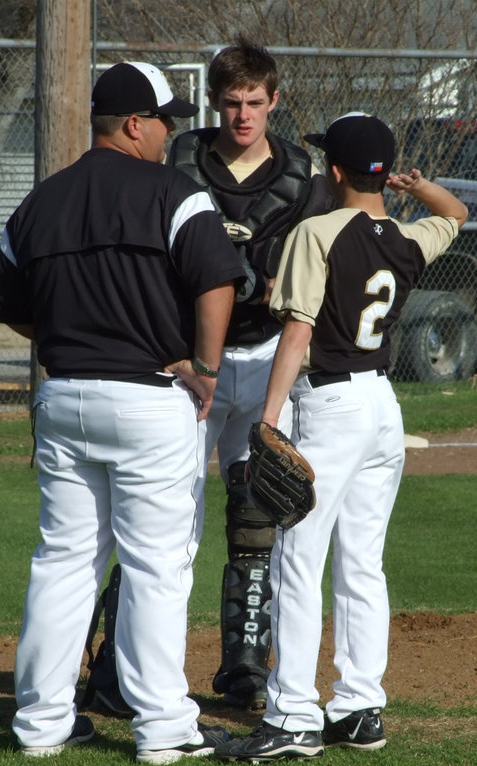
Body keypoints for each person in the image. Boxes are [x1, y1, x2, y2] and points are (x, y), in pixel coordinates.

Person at [0, 62, 245, 764]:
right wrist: (207, 368)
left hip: (64, 398)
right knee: (157, 566)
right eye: (164, 120)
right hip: (150, 398)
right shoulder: (173, 193)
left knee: (63, 561)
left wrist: (71, 340)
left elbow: (8, 308)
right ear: (134, 124)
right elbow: (217, 280)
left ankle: (41, 723)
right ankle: (162, 731)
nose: (169, 133)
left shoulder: (40, 202)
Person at [217, 113, 468, 763]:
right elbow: (458, 211)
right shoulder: (407, 241)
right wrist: (412, 187)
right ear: (383, 174)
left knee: (297, 557)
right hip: (383, 407)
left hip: (328, 403)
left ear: (332, 172)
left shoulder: (317, 232)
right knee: (361, 561)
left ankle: (294, 716)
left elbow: (297, 334)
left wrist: (266, 421)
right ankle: (359, 708)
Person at [165, 36, 331, 712]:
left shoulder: (303, 174)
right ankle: (131, 665)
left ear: (274, 101)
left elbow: (321, 260)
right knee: (166, 517)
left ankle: (244, 663)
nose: (242, 116)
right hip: (191, 360)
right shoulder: (180, 162)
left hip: (267, 355)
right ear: (213, 102)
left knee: (257, 511)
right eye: (230, 103)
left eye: (254, 103)